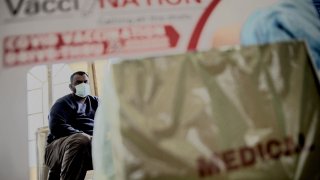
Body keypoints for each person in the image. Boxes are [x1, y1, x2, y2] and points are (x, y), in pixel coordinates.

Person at [44, 71, 99, 180]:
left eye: (85, 82)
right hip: (57, 149)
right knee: (81, 139)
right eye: (78, 82)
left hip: (90, 146)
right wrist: (87, 136)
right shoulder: (62, 103)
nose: (83, 85)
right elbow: (56, 127)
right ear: (71, 86)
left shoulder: (97, 102)